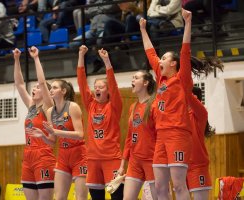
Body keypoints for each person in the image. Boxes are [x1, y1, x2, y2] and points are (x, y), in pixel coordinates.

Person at [140, 9, 193, 200]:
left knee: (178, 185)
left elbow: (185, 51)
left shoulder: (182, 79)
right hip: (161, 135)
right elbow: (150, 52)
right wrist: (143, 29)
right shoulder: (160, 78)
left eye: (164, 58)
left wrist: (187, 22)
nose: (160, 60)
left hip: (178, 133)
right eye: (161, 58)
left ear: (174, 64)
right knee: (160, 186)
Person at [77, 45, 124, 200]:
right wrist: (81, 56)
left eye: (101, 87)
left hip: (112, 158)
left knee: (117, 197)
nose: (97, 89)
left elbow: (114, 85)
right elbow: (82, 82)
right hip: (92, 160)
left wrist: (107, 61)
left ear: (107, 90)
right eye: (95, 87)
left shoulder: (114, 106)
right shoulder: (90, 105)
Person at [13, 46, 56, 200]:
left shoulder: (48, 106)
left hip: (43, 155)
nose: (35, 88)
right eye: (35, 87)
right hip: (28, 155)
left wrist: (36, 58)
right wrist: (16, 60)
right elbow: (19, 84)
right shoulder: (32, 105)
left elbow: (43, 83)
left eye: (38, 88)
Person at [39, 79, 88, 200]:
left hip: (79, 155)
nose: (51, 90)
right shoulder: (50, 111)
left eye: (55, 88)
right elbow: (52, 140)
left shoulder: (73, 107)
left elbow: (80, 134)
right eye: (51, 88)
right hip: (63, 156)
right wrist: (43, 136)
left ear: (64, 91)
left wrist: (56, 131)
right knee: (59, 197)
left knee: (81, 197)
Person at [120, 70, 157, 200]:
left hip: (152, 160)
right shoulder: (133, 107)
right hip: (135, 161)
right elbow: (129, 138)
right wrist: (122, 164)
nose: (132, 80)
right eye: (132, 78)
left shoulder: (154, 105)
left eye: (136, 78)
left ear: (146, 82)